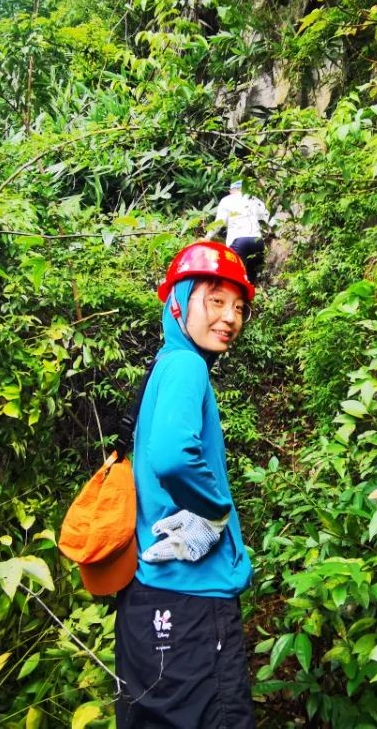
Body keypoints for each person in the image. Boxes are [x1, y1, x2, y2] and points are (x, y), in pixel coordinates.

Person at [114, 241, 256, 728]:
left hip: (150, 599)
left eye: (239, 307)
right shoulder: (186, 365)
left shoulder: (164, 366)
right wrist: (214, 513)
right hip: (193, 600)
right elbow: (173, 456)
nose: (230, 317)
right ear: (178, 302)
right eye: (215, 300)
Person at [211, 178, 271, 283]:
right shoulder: (254, 199)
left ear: (231, 190)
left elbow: (219, 223)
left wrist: (207, 237)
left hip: (239, 242)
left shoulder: (227, 200)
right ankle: (252, 289)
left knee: (234, 275)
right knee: (252, 275)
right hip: (257, 242)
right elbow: (269, 218)